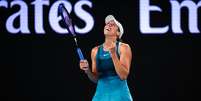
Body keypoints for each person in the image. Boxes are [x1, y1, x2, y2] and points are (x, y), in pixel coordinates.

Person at [80, 15, 133, 101]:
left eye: (113, 24)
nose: (109, 25)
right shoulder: (95, 51)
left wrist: (113, 54)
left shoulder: (124, 48)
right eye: (108, 23)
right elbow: (96, 79)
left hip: (120, 96)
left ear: (118, 33)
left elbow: (123, 76)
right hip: (100, 96)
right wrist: (87, 70)